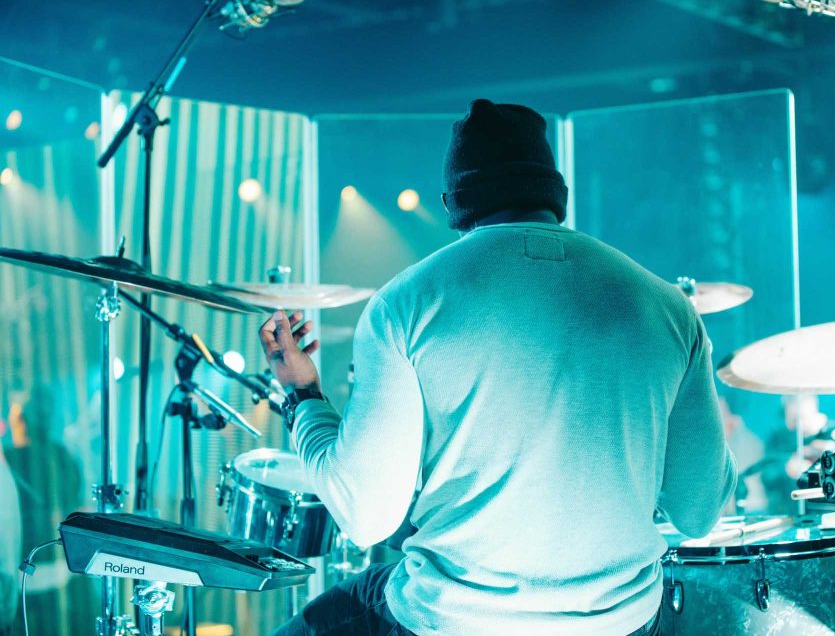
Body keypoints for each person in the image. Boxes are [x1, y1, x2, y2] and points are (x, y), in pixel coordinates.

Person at [258, 99, 736, 636]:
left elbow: (367, 518)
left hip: (458, 620)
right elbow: (699, 513)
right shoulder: (669, 308)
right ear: (555, 190)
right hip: (621, 622)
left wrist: (303, 395)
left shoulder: (407, 302)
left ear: (454, 200)